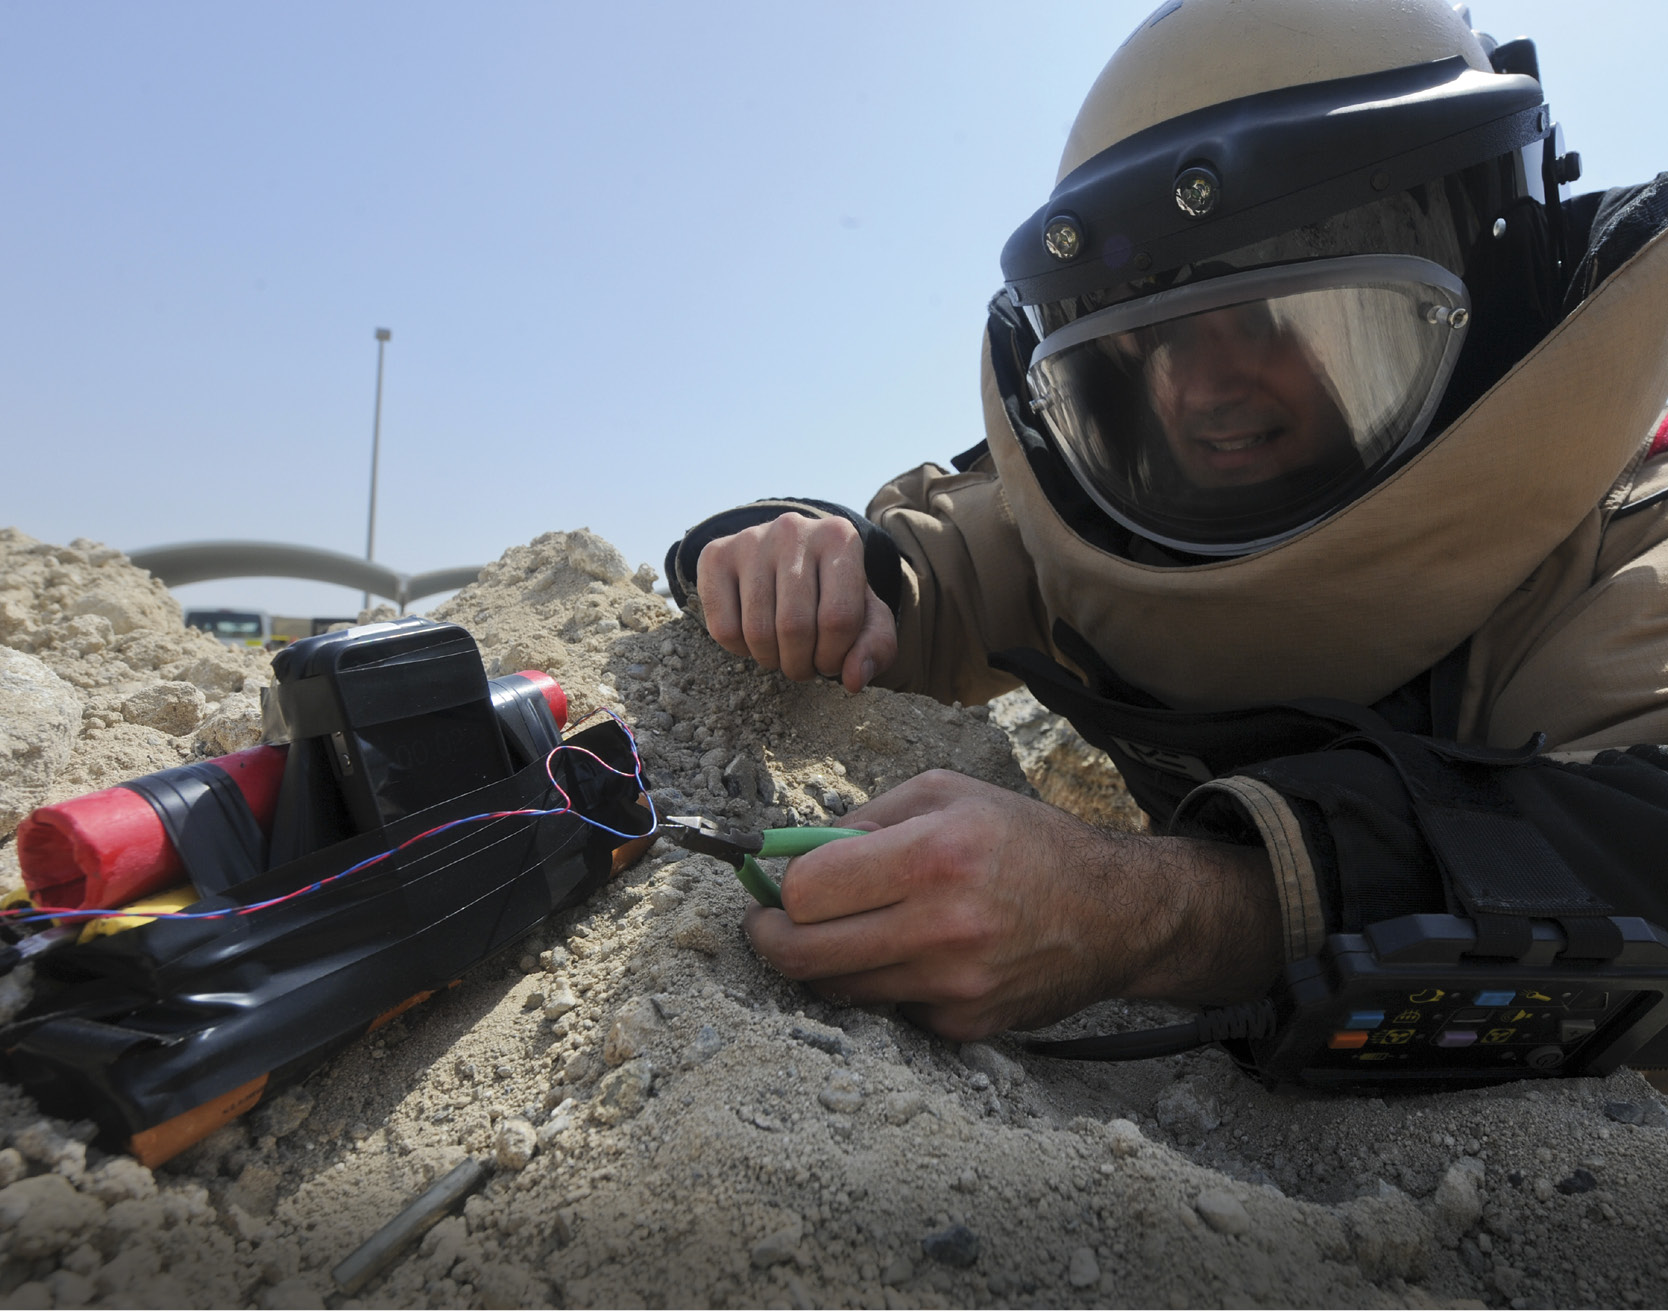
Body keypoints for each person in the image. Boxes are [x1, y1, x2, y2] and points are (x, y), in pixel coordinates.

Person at [664, 0, 1668, 1061]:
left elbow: (1632, 841)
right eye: (1149, 342)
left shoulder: (1617, 556)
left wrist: (1151, 912)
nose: (1202, 389)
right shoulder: (1113, 530)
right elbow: (923, 571)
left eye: (1280, 316)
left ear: (1487, 293)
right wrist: (798, 555)